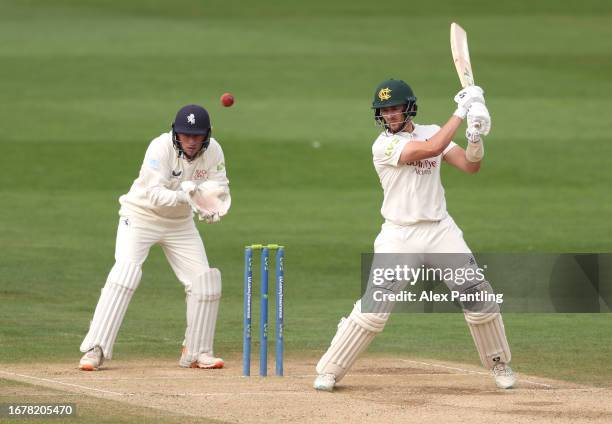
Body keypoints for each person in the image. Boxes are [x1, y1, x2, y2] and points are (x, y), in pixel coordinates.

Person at [313, 79, 515, 391]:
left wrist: (474, 137)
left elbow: (469, 166)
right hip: (400, 234)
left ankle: (499, 364)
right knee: (375, 309)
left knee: (477, 292)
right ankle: (329, 370)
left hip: (439, 230)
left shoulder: (431, 129)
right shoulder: (382, 146)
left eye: (394, 108)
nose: (390, 115)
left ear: (408, 108)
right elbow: (431, 148)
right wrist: (462, 110)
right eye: (384, 111)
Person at [79, 104, 231, 371]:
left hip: (180, 224)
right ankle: (96, 348)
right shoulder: (160, 147)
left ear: (206, 135)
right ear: (176, 133)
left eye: (197, 136)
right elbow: (154, 194)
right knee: (125, 274)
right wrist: (189, 196)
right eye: (186, 135)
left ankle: (196, 352)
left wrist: (212, 207)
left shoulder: (214, 150)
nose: (191, 141)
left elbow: (219, 187)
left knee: (205, 281)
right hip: (140, 216)